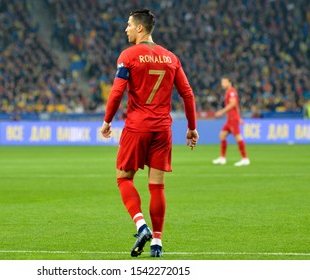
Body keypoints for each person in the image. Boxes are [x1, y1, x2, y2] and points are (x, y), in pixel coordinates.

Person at [100, 9, 198, 258]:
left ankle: (141, 225)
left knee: (124, 178)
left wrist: (107, 121)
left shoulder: (128, 56)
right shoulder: (171, 58)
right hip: (163, 129)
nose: (126, 29)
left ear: (140, 29)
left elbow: (117, 92)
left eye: (129, 25)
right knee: (157, 187)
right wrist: (191, 127)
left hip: (137, 126)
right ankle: (157, 242)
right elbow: (187, 94)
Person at [212, 76, 250, 166]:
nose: (223, 84)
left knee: (238, 137)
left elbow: (233, 104)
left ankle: (245, 159)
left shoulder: (232, 91)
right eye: (222, 82)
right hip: (230, 119)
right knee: (222, 135)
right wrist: (239, 117)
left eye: (224, 82)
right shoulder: (229, 92)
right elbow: (236, 106)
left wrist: (221, 112)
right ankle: (222, 158)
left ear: (229, 82)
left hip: (233, 118)